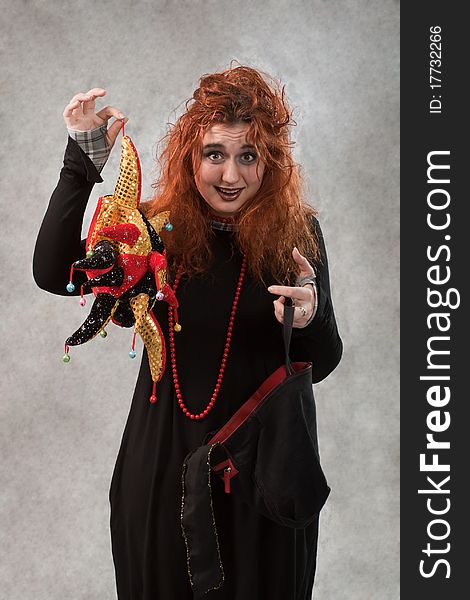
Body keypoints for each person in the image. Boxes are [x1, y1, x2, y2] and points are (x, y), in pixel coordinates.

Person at [33, 65, 343, 600]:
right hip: (162, 477)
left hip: (261, 483)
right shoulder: (153, 231)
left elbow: (324, 359)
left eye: (248, 156)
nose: (230, 175)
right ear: (190, 157)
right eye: (214, 154)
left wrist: (311, 316)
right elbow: (56, 274)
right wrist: (81, 162)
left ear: (270, 162)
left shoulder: (297, 235)